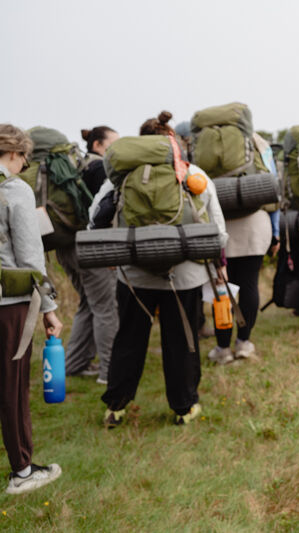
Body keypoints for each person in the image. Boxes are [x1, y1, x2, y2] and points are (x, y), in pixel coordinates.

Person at [98, 112, 227, 427]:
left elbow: (97, 218)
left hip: (133, 275)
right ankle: (183, 408)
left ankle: (115, 407)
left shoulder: (120, 177)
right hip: (184, 276)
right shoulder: (193, 174)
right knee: (182, 340)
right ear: (172, 142)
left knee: (129, 338)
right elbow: (219, 231)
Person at [0, 124, 63, 493]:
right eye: (24, 157)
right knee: (12, 386)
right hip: (9, 304)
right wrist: (49, 308)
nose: (25, 164)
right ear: (14, 153)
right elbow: (29, 255)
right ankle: (22, 471)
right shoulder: (14, 190)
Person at [207, 132, 279, 364]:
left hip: (219, 226)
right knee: (249, 285)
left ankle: (222, 348)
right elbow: (273, 190)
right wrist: (276, 232)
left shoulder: (205, 148)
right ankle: (243, 344)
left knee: (221, 288)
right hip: (255, 225)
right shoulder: (260, 146)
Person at [56, 126, 120, 385]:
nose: (116, 149)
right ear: (97, 145)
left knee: (88, 305)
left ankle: (74, 364)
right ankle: (109, 372)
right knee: (107, 309)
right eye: (112, 144)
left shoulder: (78, 168)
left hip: (66, 246)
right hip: (89, 248)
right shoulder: (99, 169)